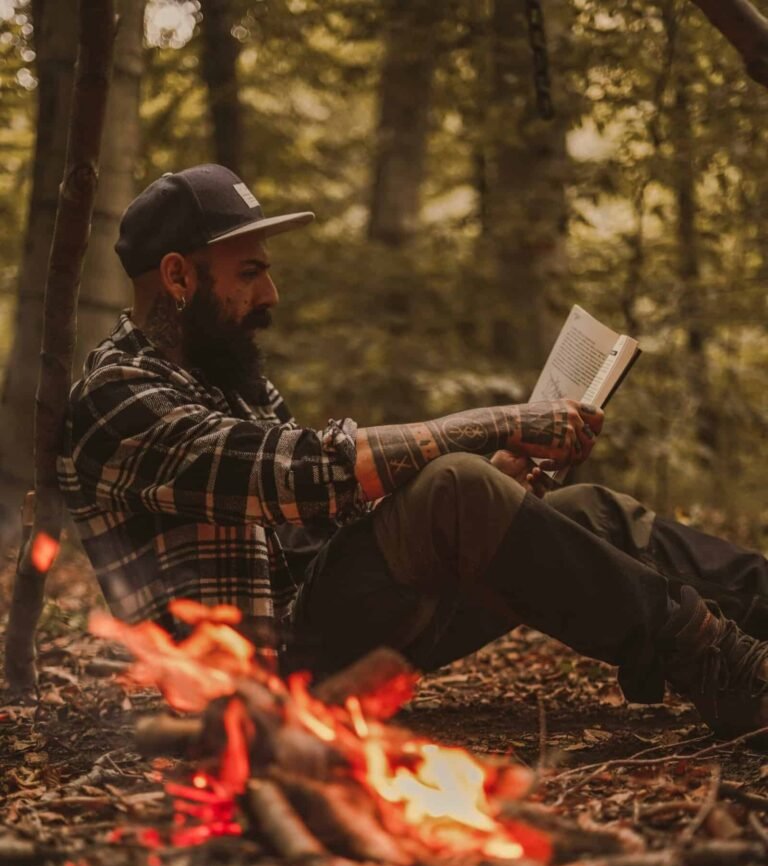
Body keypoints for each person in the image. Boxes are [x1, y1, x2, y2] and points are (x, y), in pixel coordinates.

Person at [57, 164, 768, 742]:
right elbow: (305, 476)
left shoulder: (230, 381)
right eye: (249, 273)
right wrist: (498, 425)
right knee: (457, 486)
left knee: (585, 510)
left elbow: (318, 527)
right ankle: (722, 670)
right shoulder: (118, 396)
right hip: (255, 685)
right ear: (178, 278)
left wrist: (496, 485)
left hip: (323, 630)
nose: (271, 294)